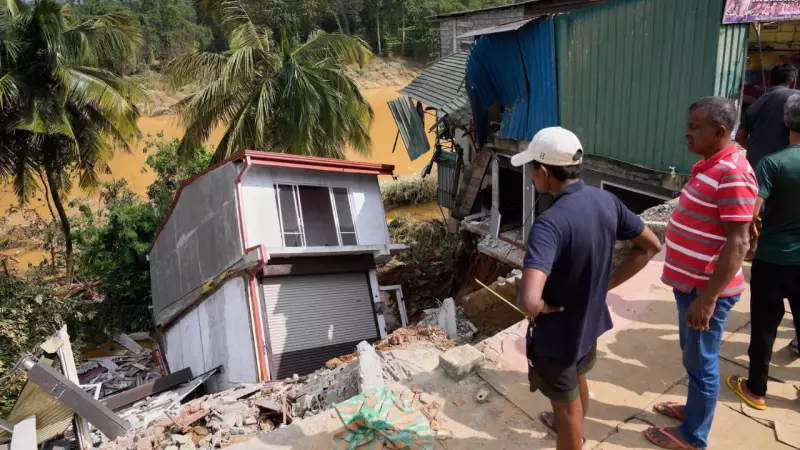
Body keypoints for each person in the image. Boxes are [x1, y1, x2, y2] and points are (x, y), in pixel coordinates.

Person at [511, 127, 662, 450]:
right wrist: (604, 286)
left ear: (544, 171)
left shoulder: (549, 224)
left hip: (558, 335)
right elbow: (649, 246)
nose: (531, 175)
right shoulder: (606, 200)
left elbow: (529, 300)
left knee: (567, 411)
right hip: (588, 323)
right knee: (577, 381)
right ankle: (571, 426)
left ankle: (571, 433)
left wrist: (540, 308)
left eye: (531, 168)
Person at [646, 97, 756, 450]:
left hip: (705, 291)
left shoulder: (733, 173)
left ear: (720, 131)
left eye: (696, 127)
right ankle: (695, 411)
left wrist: (707, 299)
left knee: (702, 362)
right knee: (693, 355)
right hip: (690, 286)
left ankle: (694, 437)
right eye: (688, 125)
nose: (686, 133)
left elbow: (738, 244)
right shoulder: (713, 165)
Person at [726, 93, 800, 410]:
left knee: (765, 325)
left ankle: (756, 389)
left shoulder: (773, 163)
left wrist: (750, 243)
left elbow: (752, 213)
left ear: (786, 122)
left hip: (772, 259)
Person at [736, 64, 798, 265]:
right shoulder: (795, 98)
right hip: (788, 166)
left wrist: (756, 150)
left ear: (770, 80)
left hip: (757, 166)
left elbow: (740, 136)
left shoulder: (757, 103)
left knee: (756, 210)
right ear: (793, 81)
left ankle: (753, 248)